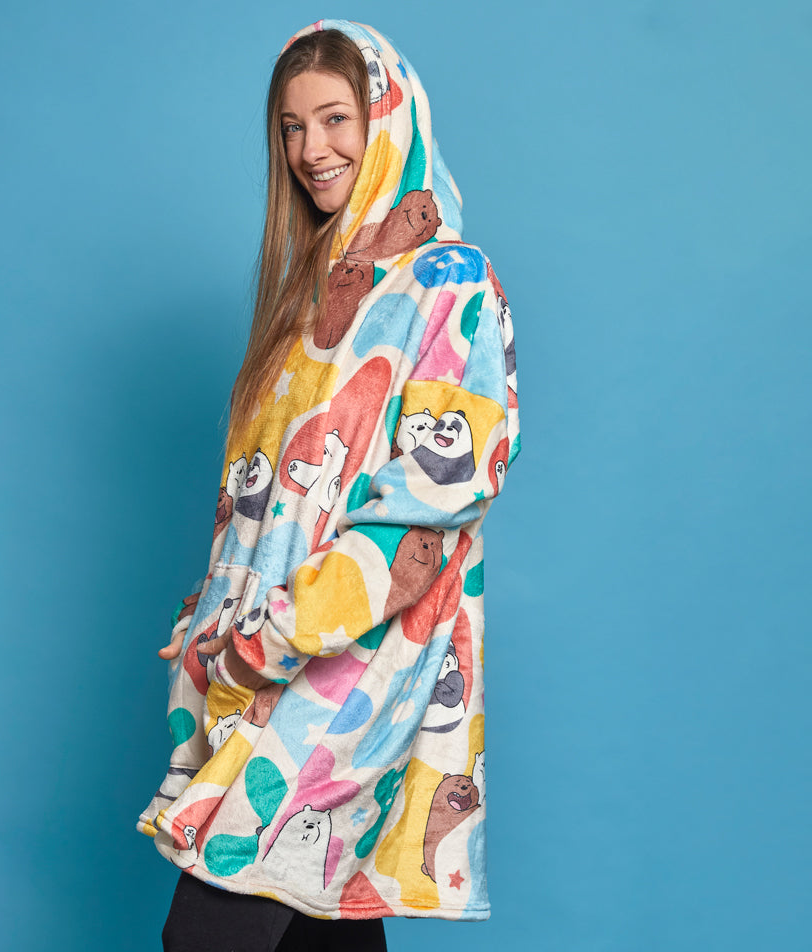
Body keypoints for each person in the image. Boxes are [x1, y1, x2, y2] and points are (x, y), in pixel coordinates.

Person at [139, 19, 520, 951]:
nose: (313, 150)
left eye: (336, 118)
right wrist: (211, 619)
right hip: (262, 660)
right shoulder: (306, 297)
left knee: (210, 933)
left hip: (351, 672)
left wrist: (269, 635)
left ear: (387, 117)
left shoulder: (449, 284)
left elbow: (432, 502)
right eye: (292, 127)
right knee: (318, 930)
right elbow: (263, 502)